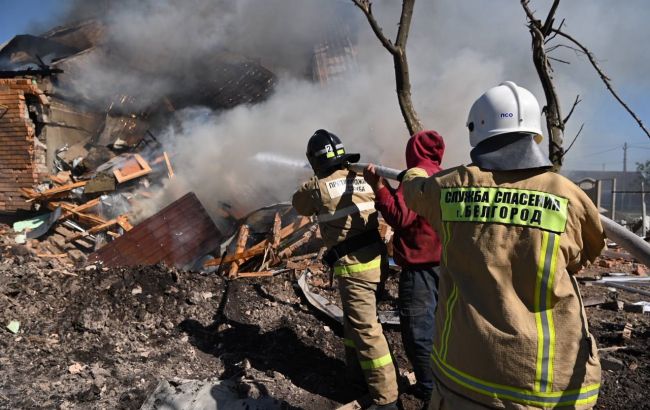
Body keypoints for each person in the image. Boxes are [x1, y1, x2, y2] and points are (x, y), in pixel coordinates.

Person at [401, 82, 605, 409]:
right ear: (533, 132)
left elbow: (414, 192)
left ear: (476, 131)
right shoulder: (567, 195)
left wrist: (412, 170)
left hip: (464, 376)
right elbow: (585, 255)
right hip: (549, 384)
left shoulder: (450, 187)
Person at [292, 129, 399, 410]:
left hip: (356, 270)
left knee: (366, 331)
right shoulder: (361, 177)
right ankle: (357, 376)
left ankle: (387, 399)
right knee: (354, 323)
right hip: (377, 262)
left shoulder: (316, 187)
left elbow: (299, 205)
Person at [363, 130, 445, 405]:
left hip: (421, 271)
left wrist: (379, 187)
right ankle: (445, 383)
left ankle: (429, 388)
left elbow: (400, 216)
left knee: (418, 332)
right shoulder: (443, 176)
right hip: (447, 267)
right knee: (444, 327)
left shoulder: (416, 179)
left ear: (413, 153)